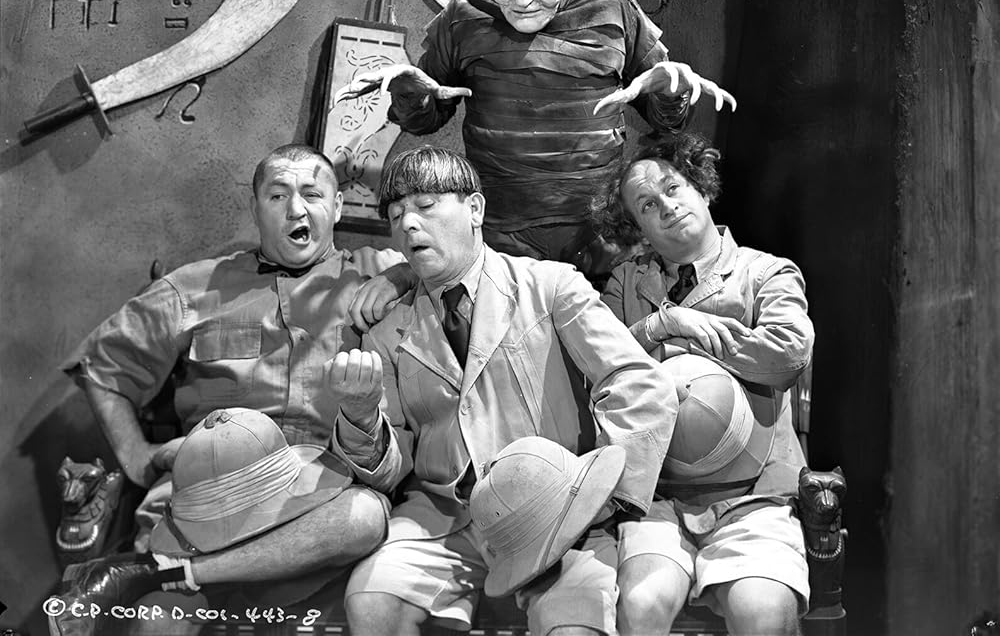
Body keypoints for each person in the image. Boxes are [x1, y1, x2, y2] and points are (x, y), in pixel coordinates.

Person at [51, 144, 412, 636]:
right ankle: (172, 577)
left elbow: (464, 265)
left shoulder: (378, 276)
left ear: (338, 207)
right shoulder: (196, 288)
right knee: (159, 623)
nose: (296, 209)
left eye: (312, 194)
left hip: (321, 495)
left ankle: (158, 573)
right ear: (255, 207)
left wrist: (402, 275)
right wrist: (139, 458)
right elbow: (102, 365)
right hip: (205, 493)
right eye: (278, 195)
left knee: (364, 517)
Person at [326, 145, 678, 636]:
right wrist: (361, 417)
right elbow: (390, 470)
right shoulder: (387, 331)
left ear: (475, 209)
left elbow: (638, 382)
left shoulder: (550, 287)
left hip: (559, 514)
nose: (408, 224)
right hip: (445, 520)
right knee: (372, 600)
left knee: (574, 627)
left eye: (425, 206)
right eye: (396, 214)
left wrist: (602, 497)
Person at [338, 0, 736, 282]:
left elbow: (668, 123)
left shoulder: (612, 6)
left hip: (602, 236)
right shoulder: (465, 12)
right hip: (500, 240)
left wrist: (670, 94)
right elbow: (426, 119)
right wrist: (410, 94)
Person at [591, 132, 814, 636]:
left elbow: (787, 355)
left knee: (763, 613)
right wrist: (660, 324)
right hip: (658, 497)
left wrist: (693, 343)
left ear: (702, 188)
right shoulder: (626, 283)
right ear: (639, 228)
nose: (667, 206)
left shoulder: (765, 272)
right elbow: (599, 365)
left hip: (755, 497)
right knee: (640, 606)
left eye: (673, 188)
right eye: (648, 205)